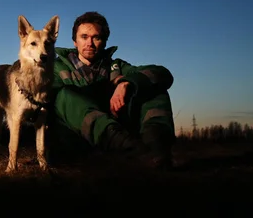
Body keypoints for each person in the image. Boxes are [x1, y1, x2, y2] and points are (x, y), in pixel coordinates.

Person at [47, 11, 176, 169]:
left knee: (152, 88)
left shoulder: (116, 66)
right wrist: (108, 87)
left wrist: (125, 83)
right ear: (75, 41)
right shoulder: (55, 68)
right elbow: (43, 99)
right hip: (74, 142)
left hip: (118, 139)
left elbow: (163, 74)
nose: (90, 43)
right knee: (64, 95)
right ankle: (134, 152)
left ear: (104, 41)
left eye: (96, 37)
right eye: (84, 37)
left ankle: (156, 153)